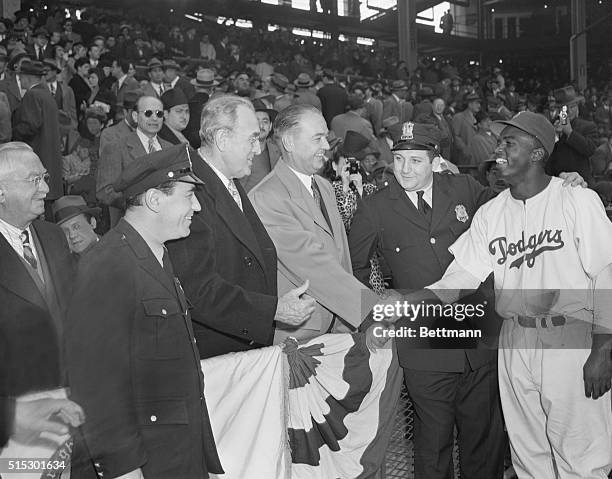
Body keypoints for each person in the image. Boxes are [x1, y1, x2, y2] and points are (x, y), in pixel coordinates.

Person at [410, 111, 612, 478]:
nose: (498, 151)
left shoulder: (576, 200)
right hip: (515, 338)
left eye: (509, 143)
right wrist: (412, 301)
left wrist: (602, 348)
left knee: (582, 456)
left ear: (537, 154)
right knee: (527, 453)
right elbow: (461, 277)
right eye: (499, 142)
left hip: (570, 335)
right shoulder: (490, 213)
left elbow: (607, 273)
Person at [348, 122, 505, 479]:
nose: (405, 169)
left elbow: (507, 213)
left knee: (483, 440)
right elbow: (354, 271)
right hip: (423, 341)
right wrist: (374, 319)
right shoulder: (375, 208)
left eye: (415, 161)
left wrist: (561, 184)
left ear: (435, 161)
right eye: (399, 159)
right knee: (432, 445)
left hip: (477, 337)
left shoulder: (464, 188)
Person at [66, 144, 224, 479]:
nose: (196, 206)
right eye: (188, 195)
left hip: (176, 452)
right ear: (154, 200)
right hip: (143, 462)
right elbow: (95, 383)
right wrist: (123, 468)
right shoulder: (108, 263)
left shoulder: (158, 254)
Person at [166, 95, 316, 359]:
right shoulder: (190, 192)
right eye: (252, 139)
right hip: (217, 353)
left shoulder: (227, 180)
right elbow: (197, 290)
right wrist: (272, 310)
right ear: (223, 139)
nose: (258, 150)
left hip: (243, 346)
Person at [249, 104, 382, 343]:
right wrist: (370, 312)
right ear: (289, 142)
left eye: (326, 137)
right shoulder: (266, 197)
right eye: (317, 138)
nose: (325, 146)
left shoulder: (323, 186)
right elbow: (312, 264)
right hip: (301, 335)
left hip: (338, 326)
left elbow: (342, 260)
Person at [0, 142, 83, 452]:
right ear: (1, 192)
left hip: (70, 399)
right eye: (34, 180)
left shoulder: (52, 236)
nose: (46, 189)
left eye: (45, 177)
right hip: (19, 417)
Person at [96, 95, 172, 206]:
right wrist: (140, 203)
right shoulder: (115, 148)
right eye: (148, 113)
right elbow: (105, 193)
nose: (154, 118)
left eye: (159, 114)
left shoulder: (170, 148)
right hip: (132, 216)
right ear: (135, 116)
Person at [12, 59, 63, 201]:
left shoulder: (32, 95)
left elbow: (29, 126)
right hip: (50, 159)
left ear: (27, 77)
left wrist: (11, 135)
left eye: (20, 76)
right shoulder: (46, 94)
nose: (19, 80)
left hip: (38, 157)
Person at [546, 85, 598, 185]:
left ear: (577, 107)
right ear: (558, 110)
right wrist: (555, 135)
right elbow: (546, 158)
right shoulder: (551, 127)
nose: (569, 111)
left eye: (572, 107)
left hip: (581, 183)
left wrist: (570, 132)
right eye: (565, 108)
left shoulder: (588, 126)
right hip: (557, 183)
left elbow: (590, 150)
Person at [240, 98, 281, 193]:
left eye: (265, 121)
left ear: (270, 126)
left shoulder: (278, 152)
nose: (261, 126)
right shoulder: (238, 151)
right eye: (256, 121)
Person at [452, 92, 481, 165]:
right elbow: (455, 136)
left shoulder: (478, 118)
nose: (479, 105)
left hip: (477, 157)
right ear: (470, 104)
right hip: (464, 159)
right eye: (476, 103)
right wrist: (465, 149)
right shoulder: (459, 117)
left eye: (479, 103)